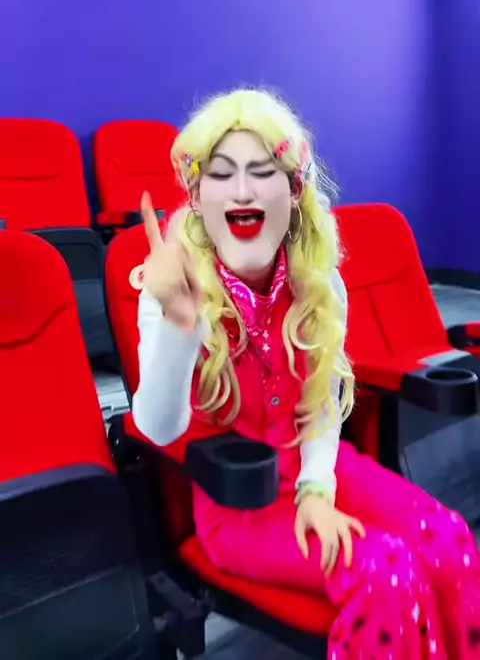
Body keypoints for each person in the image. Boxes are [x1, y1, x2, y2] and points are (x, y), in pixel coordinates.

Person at [131, 88, 480, 659]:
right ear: (196, 196)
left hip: (320, 467)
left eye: (261, 172)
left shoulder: (319, 283)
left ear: (293, 191)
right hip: (239, 507)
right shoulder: (170, 290)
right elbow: (157, 428)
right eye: (222, 174)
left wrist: (317, 488)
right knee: (387, 573)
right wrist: (179, 323)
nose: (242, 190)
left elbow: (322, 398)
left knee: (450, 541)